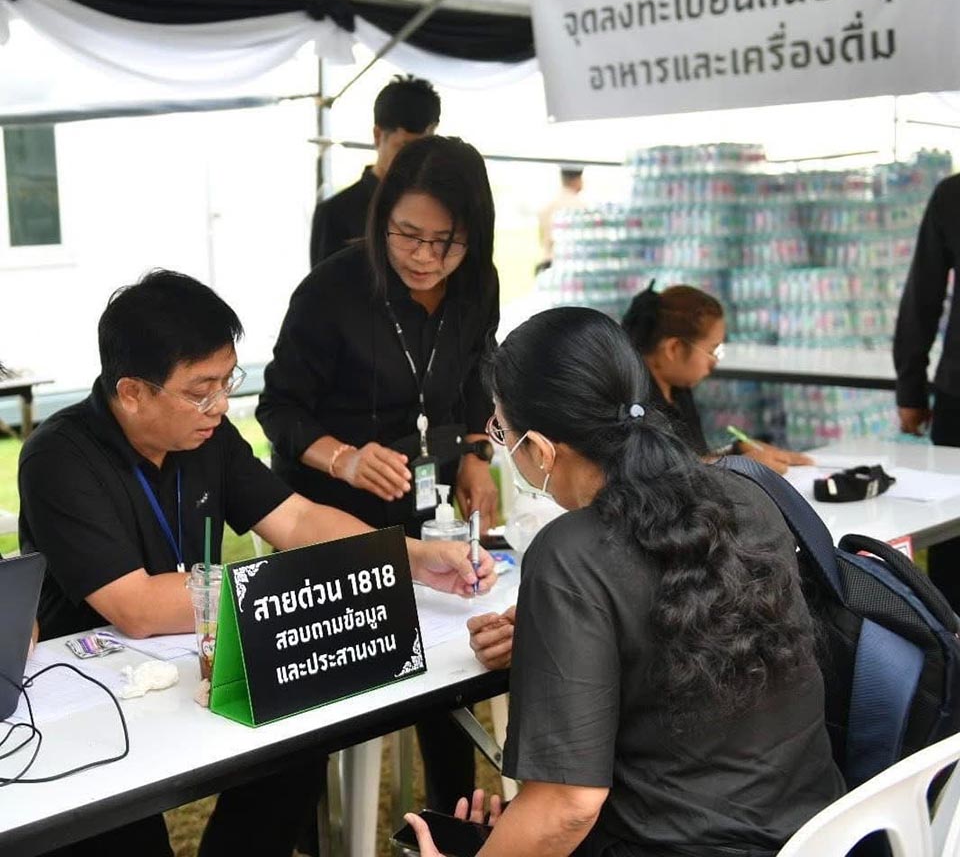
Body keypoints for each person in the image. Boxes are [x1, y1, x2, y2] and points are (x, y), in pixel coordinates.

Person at [17, 270, 493, 857]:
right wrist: (301, 591)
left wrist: (411, 557)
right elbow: (135, 607)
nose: (220, 405)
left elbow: (295, 520)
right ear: (133, 391)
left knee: (297, 749)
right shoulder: (59, 459)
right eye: (200, 389)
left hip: (203, 656)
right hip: (96, 695)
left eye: (227, 381)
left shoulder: (207, 436)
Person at [408, 306, 844, 857]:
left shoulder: (572, 553)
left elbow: (567, 807)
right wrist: (558, 646)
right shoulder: (745, 497)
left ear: (541, 450)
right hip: (822, 833)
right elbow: (690, 645)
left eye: (501, 429)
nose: (502, 443)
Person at [258, 134, 500, 812]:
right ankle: (309, 825)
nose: (424, 256)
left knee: (450, 670)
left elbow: (480, 375)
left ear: (472, 232)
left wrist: (476, 454)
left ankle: (449, 824)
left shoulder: (479, 283)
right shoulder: (333, 290)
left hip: (426, 502)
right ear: (382, 217)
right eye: (407, 234)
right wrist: (346, 457)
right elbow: (278, 409)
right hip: (328, 512)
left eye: (445, 241)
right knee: (328, 698)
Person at [622, 281, 812, 474]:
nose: (714, 363)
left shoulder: (679, 391)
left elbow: (695, 459)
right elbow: (664, 477)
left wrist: (737, 450)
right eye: (711, 350)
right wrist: (741, 466)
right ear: (674, 348)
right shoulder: (635, 406)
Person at [893, 173, 960, 608]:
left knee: (954, 538)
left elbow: (923, 296)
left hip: (959, 397)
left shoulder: (954, 195)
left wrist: (911, 391)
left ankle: (949, 656)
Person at [309, 74, 441, 267]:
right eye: (403, 147)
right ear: (378, 135)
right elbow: (319, 293)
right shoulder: (335, 213)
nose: (414, 159)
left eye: (423, 148)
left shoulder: (439, 208)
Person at [536, 166, 583, 274]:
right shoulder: (580, 207)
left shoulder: (546, 206)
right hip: (568, 266)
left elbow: (542, 240)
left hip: (546, 264)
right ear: (578, 180)